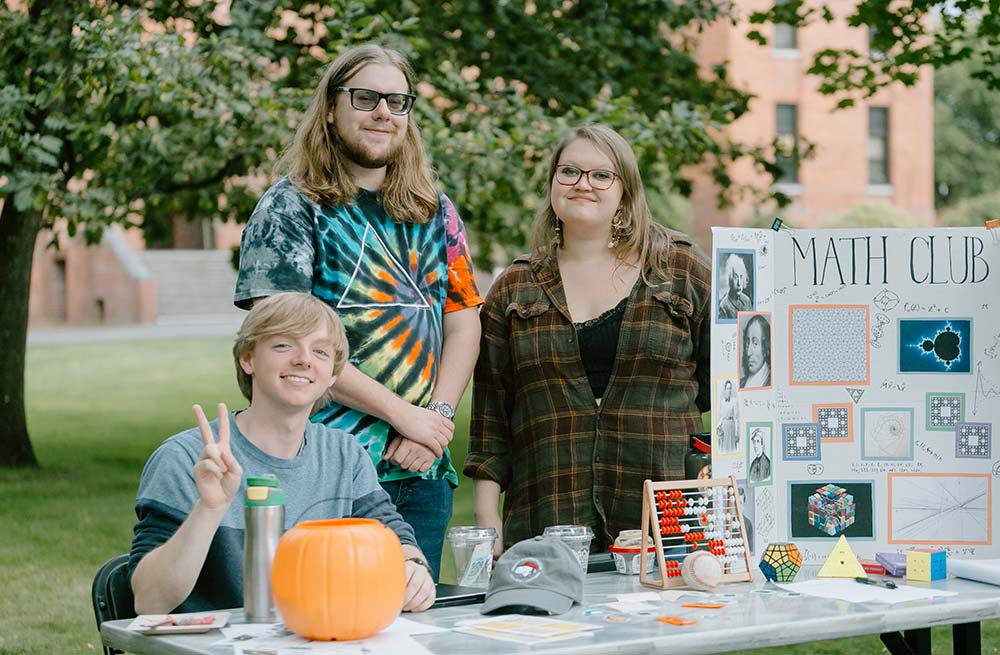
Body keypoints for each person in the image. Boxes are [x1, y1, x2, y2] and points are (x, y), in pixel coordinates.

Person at [234, 44, 483, 580]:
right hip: (318, 466)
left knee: (410, 622)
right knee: (313, 619)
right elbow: (289, 345)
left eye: (398, 101)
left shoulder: (434, 210)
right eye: (366, 97)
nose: (383, 113)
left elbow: (464, 321)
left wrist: (433, 422)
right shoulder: (291, 207)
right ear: (330, 107)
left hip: (419, 468)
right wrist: (403, 415)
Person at [465, 123, 711, 555]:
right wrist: (487, 522)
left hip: (669, 518)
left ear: (625, 191)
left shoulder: (681, 269)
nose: (584, 184)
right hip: (547, 516)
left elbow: (728, 387)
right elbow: (491, 421)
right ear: (552, 184)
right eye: (570, 172)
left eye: (601, 175)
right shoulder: (514, 287)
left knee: (673, 624)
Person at [129, 293, 434, 614]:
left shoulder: (345, 455)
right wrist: (208, 509)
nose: (304, 359)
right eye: (283, 345)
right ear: (248, 359)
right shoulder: (188, 458)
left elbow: (393, 535)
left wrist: (413, 566)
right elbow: (149, 601)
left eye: (320, 351)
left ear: (332, 374)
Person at [740, 313, 771, 388]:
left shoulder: (770, 382)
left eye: (755, 343)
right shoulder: (741, 383)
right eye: (747, 344)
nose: (748, 353)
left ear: (765, 348)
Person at [718, 253, 751, 319]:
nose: (739, 283)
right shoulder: (723, 306)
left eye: (741, 277)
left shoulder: (747, 300)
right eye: (736, 277)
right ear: (729, 279)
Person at [716, 380, 739, 453]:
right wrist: (718, 426)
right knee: (724, 447)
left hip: (731, 425)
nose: (729, 390)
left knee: (731, 447)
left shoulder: (734, 401)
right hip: (724, 426)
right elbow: (722, 416)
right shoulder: (722, 401)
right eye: (727, 388)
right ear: (725, 389)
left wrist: (736, 433)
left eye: (730, 388)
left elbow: (736, 418)